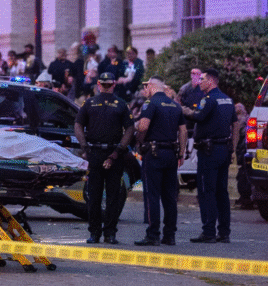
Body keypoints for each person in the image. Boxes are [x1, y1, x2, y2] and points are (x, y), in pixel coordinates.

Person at [75, 72, 135, 244]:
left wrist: (85, 146)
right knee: (112, 196)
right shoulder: (121, 104)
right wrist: (118, 151)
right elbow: (130, 129)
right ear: (114, 84)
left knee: (93, 196)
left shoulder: (89, 103)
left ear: (99, 84)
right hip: (113, 154)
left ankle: (95, 233)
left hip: (96, 152)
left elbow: (78, 125)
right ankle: (109, 233)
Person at [183, 69, 237, 243]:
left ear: (211, 82)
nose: (200, 82)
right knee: (222, 192)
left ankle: (208, 232)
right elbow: (235, 125)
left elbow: (199, 116)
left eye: (203, 79)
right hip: (223, 149)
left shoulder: (209, 99)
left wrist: (184, 111)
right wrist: (233, 148)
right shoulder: (227, 100)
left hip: (209, 150)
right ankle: (224, 232)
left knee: (207, 191)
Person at [134, 77, 187, 246]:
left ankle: (153, 235)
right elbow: (183, 131)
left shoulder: (150, 104)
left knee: (153, 195)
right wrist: (181, 153)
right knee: (170, 197)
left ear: (151, 87)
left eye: (146, 86)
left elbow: (143, 126)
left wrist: (139, 142)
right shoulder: (174, 105)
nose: (145, 90)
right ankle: (169, 235)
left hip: (154, 153)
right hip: (171, 154)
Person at [233, 102, 254, 210]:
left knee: (242, 174)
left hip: (242, 151)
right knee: (247, 173)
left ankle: (245, 198)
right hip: (248, 151)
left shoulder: (239, 120)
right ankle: (248, 198)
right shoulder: (249, 119)